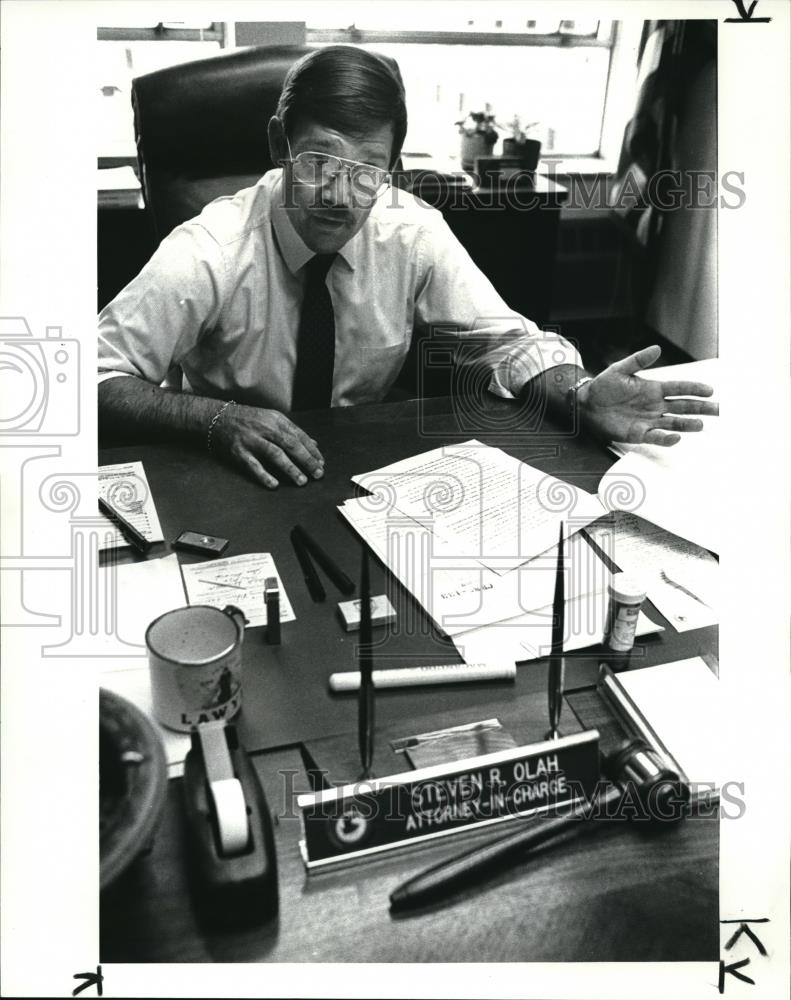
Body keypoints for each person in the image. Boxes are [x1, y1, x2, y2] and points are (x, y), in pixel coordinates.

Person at [98, 45, 717, 489]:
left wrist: (578, 394)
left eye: (367, 170)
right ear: (277, 144)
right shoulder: (209, 249)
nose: (340, 195)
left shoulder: (409, 230)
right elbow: (94, 381)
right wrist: (215, 419)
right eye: (319, 161)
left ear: (390, 169)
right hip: (227, 472)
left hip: (354, 471)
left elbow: (507, 343)